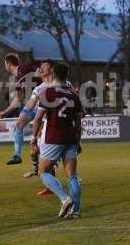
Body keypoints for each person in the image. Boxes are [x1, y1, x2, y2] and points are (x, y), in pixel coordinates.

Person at [31, 63, 83, 218]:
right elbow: (79, 122)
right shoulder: (74, 95)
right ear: (67, 75)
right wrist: (78, 141)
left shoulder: (48, 93)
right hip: (70, 137)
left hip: (53, 137)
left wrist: (34, 137)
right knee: (72, 175)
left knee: (43, 172)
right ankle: (76, 211)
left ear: (53, 74)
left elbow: (38, 118)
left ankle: (64, 198)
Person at [0, 54, 39, 165]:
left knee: (41, 135)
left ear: (8, 64)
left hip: (44, 100)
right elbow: (18, 99)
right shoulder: (17, 80)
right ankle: (17, 155)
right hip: (33, 102)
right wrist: (5, 112)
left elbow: (40, 72)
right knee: (19, 125)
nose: (5, 67)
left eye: (5, 64)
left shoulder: (23, 68)